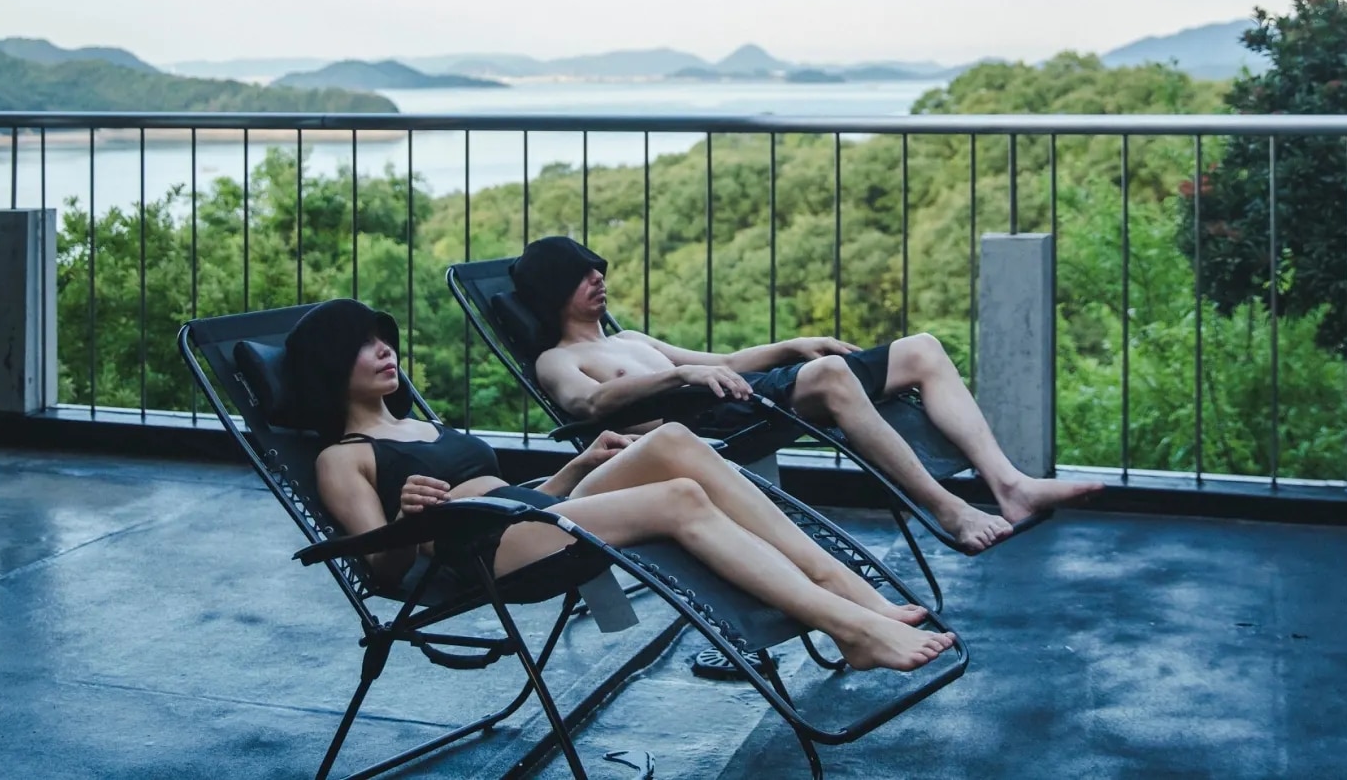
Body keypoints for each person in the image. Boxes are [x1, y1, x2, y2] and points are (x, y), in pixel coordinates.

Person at [298, 298, 956, 674]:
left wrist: (576, 469)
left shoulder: (420, 423)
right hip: (478, 549)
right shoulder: (342, 457)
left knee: (672, 442)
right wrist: (409, 523)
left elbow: (508, 489)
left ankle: (845, 587)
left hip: (528, 513)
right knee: (679, 499)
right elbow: (380, 569)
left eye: (385, 340)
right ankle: (849, 627)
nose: (386, 350)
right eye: (365, 345)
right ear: (330, 366)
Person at [511, 236, 1103, 554]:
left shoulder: (630, 339)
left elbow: (725, 364)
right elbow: (589, 407)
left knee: (921, 349)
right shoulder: (555, 360)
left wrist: (793, 345)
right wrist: (677, 377)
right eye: (582, 275)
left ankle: (1009, 485)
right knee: (834, 376)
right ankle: (947, 509)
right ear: (551, 291)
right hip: (704, 423)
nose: (598, 278)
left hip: (740, 394)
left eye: (597, 270)